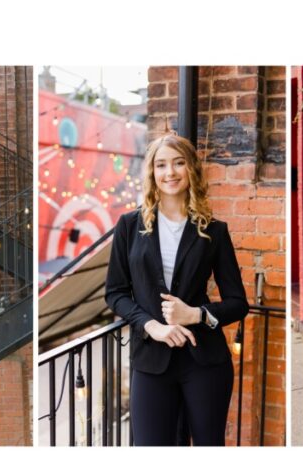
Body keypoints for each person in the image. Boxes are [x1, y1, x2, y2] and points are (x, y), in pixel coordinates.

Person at [105, 133, 248, 446]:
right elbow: (114, 293)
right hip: (151, 361)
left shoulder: (214, 230)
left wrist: (196, 314)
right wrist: (151, 325)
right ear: (152, 173)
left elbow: (238, 303)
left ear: (191, 169)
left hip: (205, 362)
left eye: (178, 163)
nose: (170, 172)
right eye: (161, 165)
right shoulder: (129, 226)